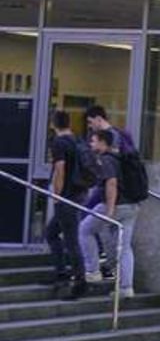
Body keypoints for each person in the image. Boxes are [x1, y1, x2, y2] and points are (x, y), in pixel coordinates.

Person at [78, 126, 146, 295]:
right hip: (132, 206)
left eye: (93, 141)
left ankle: (93, 270)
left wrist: (109, 209)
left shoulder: (107, 159)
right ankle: (126, 287)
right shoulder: (122, 157)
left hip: (116, 205)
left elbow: (111, 183)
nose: (91, 145)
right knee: (125, 247)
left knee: (85, 230)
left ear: (102, 143)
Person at [42, 111, 88, 299]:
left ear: (53, 124)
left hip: (67, 196)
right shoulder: (77, 141)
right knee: (52, 233)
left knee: (71, 240)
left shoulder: (59, 143)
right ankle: (61, 273)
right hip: (79, 193)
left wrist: (56, 195)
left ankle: (80, 281)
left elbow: (60, 169)